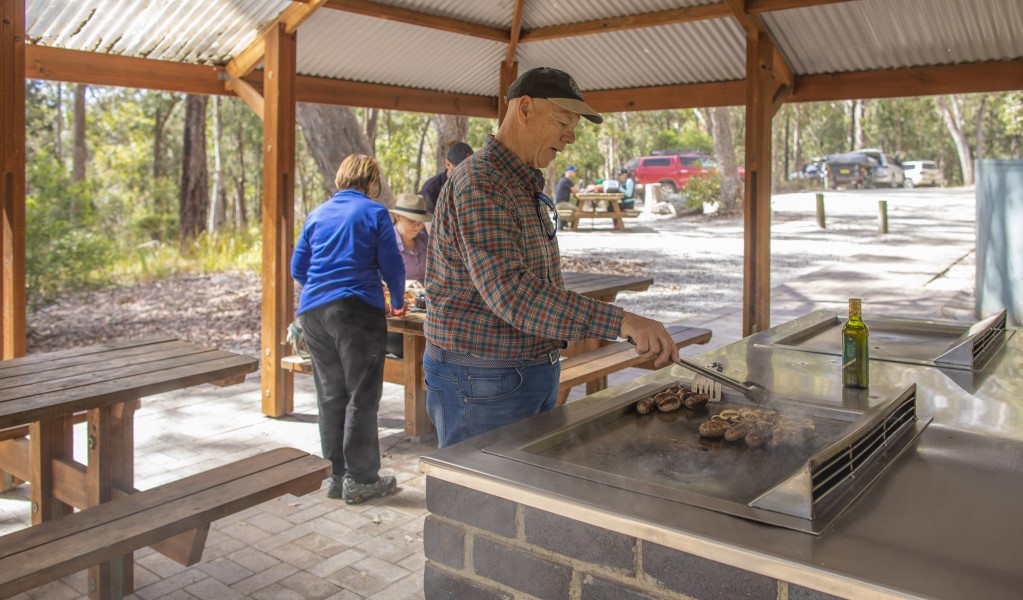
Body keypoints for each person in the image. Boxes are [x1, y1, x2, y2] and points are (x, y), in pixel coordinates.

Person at [424, 66, 680, 448]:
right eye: (564, 120)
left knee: (521, 500)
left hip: (522, 372)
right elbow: (512, 293)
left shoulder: (519, 181)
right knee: (483, 504)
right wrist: (621, 321)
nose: (571, 136)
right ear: (524, 108)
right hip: (481, 382)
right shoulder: (481, 182)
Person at [291, 153, 406, 504]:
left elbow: (299, 267)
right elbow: (393, 265)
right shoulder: (373, 212)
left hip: (313, 314)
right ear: (372, 182)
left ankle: (336, 476)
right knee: (362, 395)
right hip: (356, 312)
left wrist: (323, 286)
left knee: (331, 395)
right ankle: (361, 479)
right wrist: (397, 300)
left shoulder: (317, 213)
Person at [386, 192, 432, 357]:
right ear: (398, 216)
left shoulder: (425, 241)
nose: (417, 226)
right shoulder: (386, 242)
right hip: (396, 321)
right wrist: (405, 285)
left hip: (424, 315)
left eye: (420, 222)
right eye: (412, 221)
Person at [419, 142, 474, 213]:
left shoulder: (474, 185)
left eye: (469, 170)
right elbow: (426, 221)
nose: (466, 175)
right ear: (448, 164)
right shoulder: (430, 190)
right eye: (460, 171)